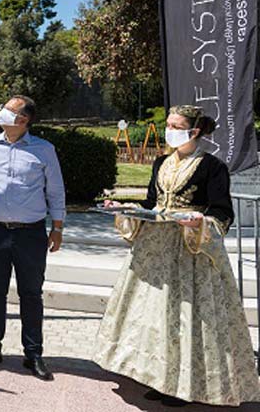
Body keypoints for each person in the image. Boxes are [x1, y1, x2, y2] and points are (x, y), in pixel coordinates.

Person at [98, 105, 259, 407]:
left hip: (191, 251)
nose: (168, 130)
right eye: (168, 125)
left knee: (186, 318)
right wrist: (125, 209)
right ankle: (160, 378)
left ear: (194, 131)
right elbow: (152, 203)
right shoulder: (161, 162)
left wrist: (199, 221)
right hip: (155, 251)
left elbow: (222, 212)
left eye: (175, 126)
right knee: (158, 316)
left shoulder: (212, 166)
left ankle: (185, 386)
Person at [0, 95, 65, 380]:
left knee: (31, 294)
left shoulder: (44, 150)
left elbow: (56, 191)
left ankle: (33, 354)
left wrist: (58, 228)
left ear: (23, 120)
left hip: (31, 233)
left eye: (9, 109)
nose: (2, 112)